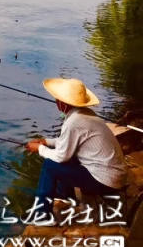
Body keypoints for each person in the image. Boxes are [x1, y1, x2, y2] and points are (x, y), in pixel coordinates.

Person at [25, 78, 127, 213]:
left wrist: (40, 149)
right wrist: (46, 142)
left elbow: (61, 156)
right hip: (114, 175)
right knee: (69, 156)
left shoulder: (74, 121)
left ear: (63, 102)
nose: (56, 101)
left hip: (107, 181)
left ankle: (42, 215)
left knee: (49, 166)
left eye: (57, 98)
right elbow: (67, 142)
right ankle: (66, 197)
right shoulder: (84, 114)